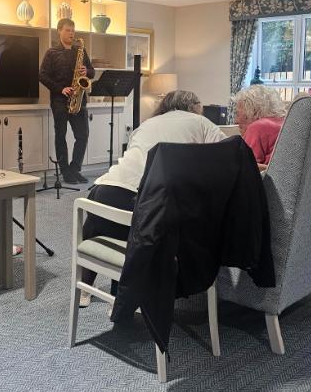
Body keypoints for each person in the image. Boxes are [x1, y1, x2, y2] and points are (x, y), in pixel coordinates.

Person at [79, 90, 225, 307]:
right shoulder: (201, 123)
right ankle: (124, 295)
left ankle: (85, 290)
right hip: (141, 201)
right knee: (146, 231)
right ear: (194, 107)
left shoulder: (147, 124)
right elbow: (226, 153)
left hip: (102, 191)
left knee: (98, 223)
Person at [39, 18, 95, 184]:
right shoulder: (51, 53)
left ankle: (75, 168)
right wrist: (60, 89)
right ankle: (65, 171)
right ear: (59, 31)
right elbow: (42, 75)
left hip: (78, 100)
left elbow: (91, 72)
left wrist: (87, 70)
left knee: (83, 135)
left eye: (73, 30)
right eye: (68, 30)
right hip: (59, 100)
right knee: (61, 135)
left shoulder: (81, 50)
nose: (72, 33)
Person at [233, 85, 286, 171]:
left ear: (253, 112)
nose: (236, 121)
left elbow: (243, 166)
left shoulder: (258, 127)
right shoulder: (283, 122)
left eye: (238, 114)